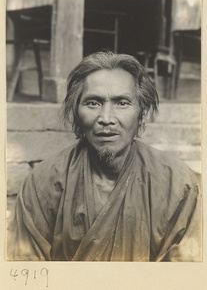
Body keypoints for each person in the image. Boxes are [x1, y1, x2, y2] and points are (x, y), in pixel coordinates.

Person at [7, 51, 201, 261]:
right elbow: (25, 271)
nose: (106, 118)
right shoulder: (43, 182)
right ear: (76, 112)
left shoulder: (177, 183)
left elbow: (185, 273)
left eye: (122, 103)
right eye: (93, 103)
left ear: (141, 113)